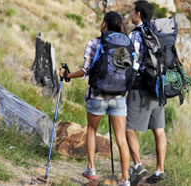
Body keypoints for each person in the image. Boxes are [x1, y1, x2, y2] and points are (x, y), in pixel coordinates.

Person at [60, 11, 130, 186]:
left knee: (91, 130)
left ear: (105, 24)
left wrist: (67, 75)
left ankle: (91, 169)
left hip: (97, 95)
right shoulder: (127, 45)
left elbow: (85, 70)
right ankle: (125, 179)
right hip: (119, 96)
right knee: (121, 139)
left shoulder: (94, 43)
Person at [126, 1, 167, 185]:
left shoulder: (135, 35)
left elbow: (132, 63)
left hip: (140, 87)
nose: (130, 14)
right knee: (159, 130)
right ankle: (159, 170)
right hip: (159, 86)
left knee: (128, 128)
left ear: (138, 14)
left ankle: (138, 166)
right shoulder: (158, 34)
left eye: (132, 11)